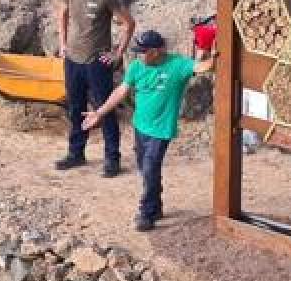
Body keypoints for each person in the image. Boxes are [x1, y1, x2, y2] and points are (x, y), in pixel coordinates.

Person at [82, 30, 217, 231]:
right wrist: (99, 113)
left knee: (150, 167)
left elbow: (204, 67)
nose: (138, 56)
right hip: (140, 126)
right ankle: (156, 205)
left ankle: (146, 213)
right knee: (146, 170)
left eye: (143, 52)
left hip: (161, 130)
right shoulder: (136, 66)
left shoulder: (177, 65)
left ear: (155, 51)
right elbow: (121, 91)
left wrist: (213, 54)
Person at [55, 0, 136, 177]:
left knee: (105, 109)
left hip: (96, 62)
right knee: (75, 108)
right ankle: (76, 153)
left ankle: (112, 159)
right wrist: (62, 43)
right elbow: (62, 14)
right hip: (72, 60)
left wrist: (117, 53)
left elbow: (129, 24)